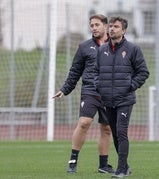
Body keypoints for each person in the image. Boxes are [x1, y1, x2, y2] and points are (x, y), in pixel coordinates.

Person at [53, 14, 114, 174]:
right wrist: (65, 89)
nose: (93, 28)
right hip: (90, 91)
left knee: (107, 128)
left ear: (106, 26)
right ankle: (73, 161)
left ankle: (103, 165)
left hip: (110, 93)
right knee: (84, 122)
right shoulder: (85, 47)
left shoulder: (118, 45)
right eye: (91, 25)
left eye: (97, 25)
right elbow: (75, 71)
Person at [94, 16, 149, 178]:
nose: (112, 29)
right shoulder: (101, 50)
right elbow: (95, 72)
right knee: (115, 133)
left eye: (116, 27)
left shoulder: (133, 49)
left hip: (125, 99)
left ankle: (121, 169)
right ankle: (125, 166)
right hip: (107, 99)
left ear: (123, 30)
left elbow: (143, 72)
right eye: (110, 26)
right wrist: (100, 86)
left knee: (121, 131)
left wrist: (130, 86)